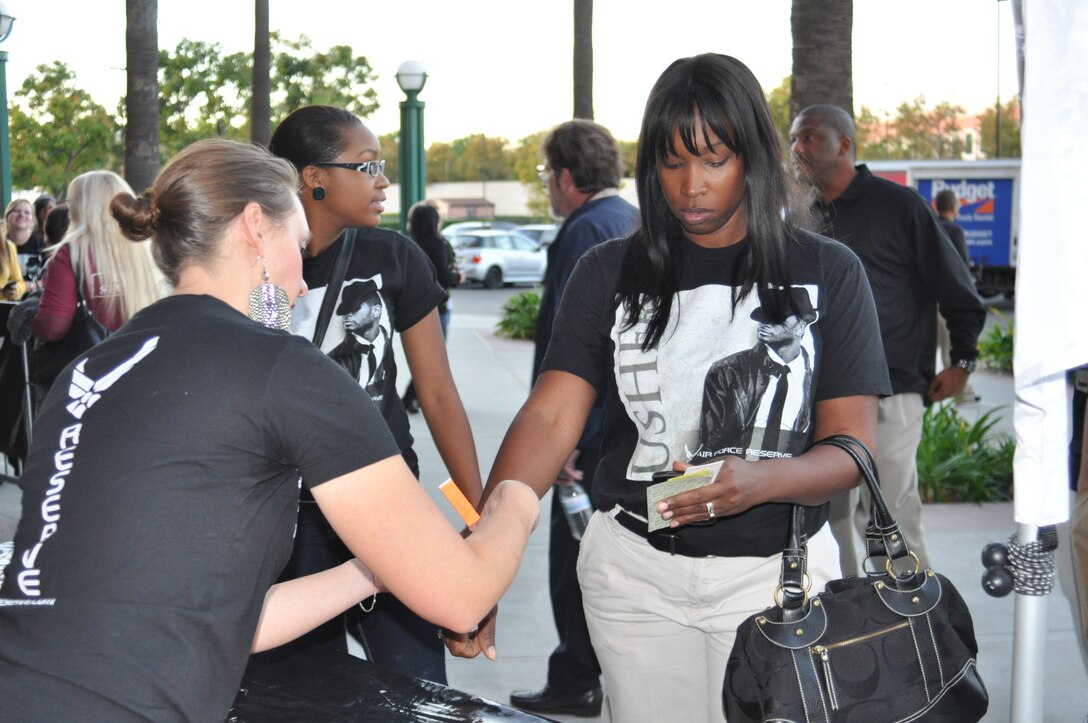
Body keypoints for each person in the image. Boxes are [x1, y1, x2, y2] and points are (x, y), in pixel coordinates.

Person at [0, 138, 540, 720]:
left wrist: (371, 572)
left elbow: (224, 621)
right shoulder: (280, 365)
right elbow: (461, 597)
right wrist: (516, 497)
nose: (303, 283)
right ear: (256, 226)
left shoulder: (93, 368)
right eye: (299, 245)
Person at [447, 54, 890, 723]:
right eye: (672, 161)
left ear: (753, 157)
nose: (691, 185)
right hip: (634, 576)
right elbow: (549, 418)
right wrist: (484, 555)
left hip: (777, 577)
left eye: (714, 159)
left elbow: (853, 446)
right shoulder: (607, 271)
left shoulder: (827, 269)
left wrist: (759, 481)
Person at [268, 105, 484, 684]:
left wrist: (476, 519)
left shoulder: (395, 256)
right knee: (303, 696)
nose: (383, 181)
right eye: (367, 167)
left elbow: (438, 394)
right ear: (314, 178)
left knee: (418, 689)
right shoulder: (256, 264)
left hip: (388, 509)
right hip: (289, 521)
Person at [789, 104, 986, 576]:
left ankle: (913, 613)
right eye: (793, 138)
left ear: (844, 144)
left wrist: (962, 361)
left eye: (809, 137)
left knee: (890, 516)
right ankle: (845, 610)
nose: (796, 148)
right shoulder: (797, 216)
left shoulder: (901, 207)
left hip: (893, 388)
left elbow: (958, 291)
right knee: (827, 520)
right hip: (819, 395)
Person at [509, 118, 638, 718]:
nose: (547, 186)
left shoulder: (584, 231)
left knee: (576, 563)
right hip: (627, 429)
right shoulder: (630, 219)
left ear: (566, 176)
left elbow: (573, 351)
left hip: (587, 435)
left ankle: (576, 679)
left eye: (547, 174)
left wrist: (561, 440)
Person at [31, 171, 164, 359]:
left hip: (96, 366)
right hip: (149, 358)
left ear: (80, 208)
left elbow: (53, 327)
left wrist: (31, 318)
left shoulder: (71, 254)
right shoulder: (150, 247)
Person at [692, 287, 818, 461]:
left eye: (777, 319)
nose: (765, 323)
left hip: (790, 475)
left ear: (801, 327)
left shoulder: (813, 379)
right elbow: (710, 443)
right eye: (763, 317)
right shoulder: (726, 370)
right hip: (731, 471)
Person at [401, 201, 461, 414]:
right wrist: (458, 277)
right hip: (438, 306)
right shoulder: (438, 244)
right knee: (433, 358)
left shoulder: (412, 244)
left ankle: (413, 397)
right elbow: (444, 275)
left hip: (414, 308)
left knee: (424, 357)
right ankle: (411, 398)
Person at [934, 188, 979, 404]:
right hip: (947, 299)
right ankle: (962, 393)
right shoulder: (955, 231)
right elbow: (962, 269)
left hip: (925, 299)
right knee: (950, 348)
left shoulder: (930, 226)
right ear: (954, 207)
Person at [4, 199, 43, 295]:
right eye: (17, 211)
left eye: (27, 212)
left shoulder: (43, 245)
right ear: (7, 217)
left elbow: (52, 278)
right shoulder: (2, 243)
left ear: (33, 221)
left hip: (34, 299)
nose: (21, 215)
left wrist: (32, 285)